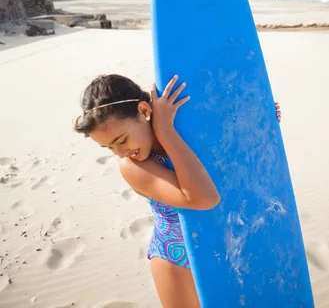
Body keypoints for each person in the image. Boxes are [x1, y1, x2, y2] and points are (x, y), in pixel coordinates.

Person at [74, 74, 281, 308]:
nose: (120, 152)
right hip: (177, 261)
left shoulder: (190, 133)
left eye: (121, 140)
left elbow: (231, 160)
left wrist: (261, 123)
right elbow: (204, 198)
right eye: (109, 147)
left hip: (230, 245)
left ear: (144, 111)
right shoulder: (133, 167)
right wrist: (165, 130)